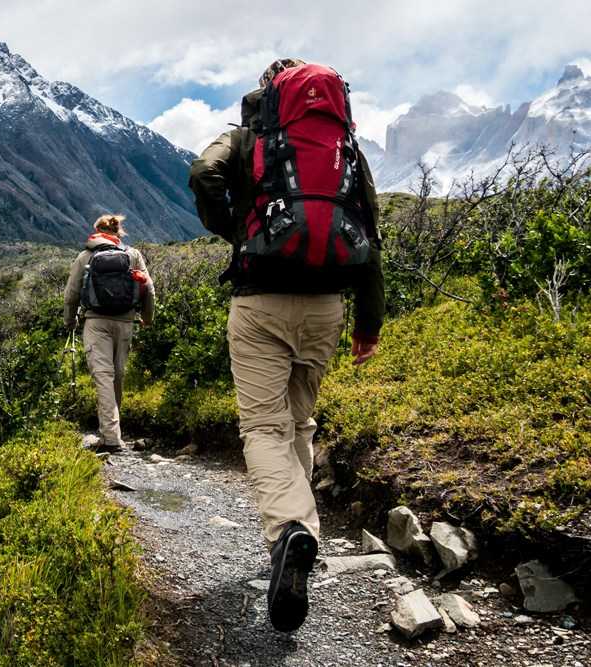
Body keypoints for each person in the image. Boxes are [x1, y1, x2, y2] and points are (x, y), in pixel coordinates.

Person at [187, 58, 385, 632]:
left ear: (269, 92)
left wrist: (235, 229)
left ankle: (289, 532)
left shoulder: (248, 137)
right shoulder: (345, 148)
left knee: (263, 428)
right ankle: (299, 536)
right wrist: (368, 325)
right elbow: (369, 232)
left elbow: (203, 174)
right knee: (299, 422)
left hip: (261, 301)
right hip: (327, 307)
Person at [63, 214, 155, 454]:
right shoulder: (132, 254)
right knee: (117, 376)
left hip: (96, 323)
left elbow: (71, 294)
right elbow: (149, 288)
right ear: (118, 232)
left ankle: (111, 438)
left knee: (103, 376)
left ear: (96, 231)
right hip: (125, 322)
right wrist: (147, 318)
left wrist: (71, 322)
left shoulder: (85, 256)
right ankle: (113, 432)